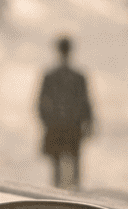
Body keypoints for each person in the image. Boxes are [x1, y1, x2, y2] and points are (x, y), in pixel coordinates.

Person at [38, 35, 94, 189]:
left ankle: (60, 192)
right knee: (70, 165)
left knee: (60, 168)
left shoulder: (51, 76)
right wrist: (89, 123)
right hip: (69, 126)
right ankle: (71, 192)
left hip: (60, 126)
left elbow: (41, 103)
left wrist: (47, 122)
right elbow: (86, 103)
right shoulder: (78, 77)